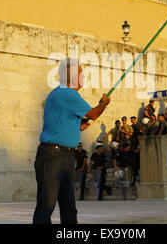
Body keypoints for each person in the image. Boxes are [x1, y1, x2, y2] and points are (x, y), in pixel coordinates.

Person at [33, 58, 111, 224]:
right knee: (47, 206)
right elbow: (94, 114)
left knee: (67, 206)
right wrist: (103, 103)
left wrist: (77, 124)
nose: (83, 77)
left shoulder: (57, 93)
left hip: (62, 154)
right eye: (81, 73)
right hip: (54, 155)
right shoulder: (68, 93)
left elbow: (60, 120)